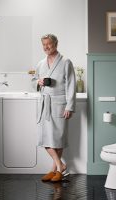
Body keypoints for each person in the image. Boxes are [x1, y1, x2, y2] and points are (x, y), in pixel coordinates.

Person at [32, 34, 76, 182]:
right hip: (45, 104)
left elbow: (71, 85)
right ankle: (60, 166)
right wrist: (38, 82)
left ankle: (54, 170)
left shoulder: (65, 62)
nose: (46, 47)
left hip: (60, 104)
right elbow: (33, 81)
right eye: (44, 45)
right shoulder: (40, 63)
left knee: (57, 138)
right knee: (45, 139)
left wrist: (70, 106)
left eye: (49, 44)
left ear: (56, 44)